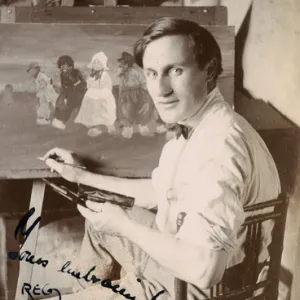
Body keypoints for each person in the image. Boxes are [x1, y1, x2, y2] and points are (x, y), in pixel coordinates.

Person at [43, 17, 280, 300]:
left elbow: (204, 270)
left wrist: (123, 225)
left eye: (175, 70)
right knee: (98, 217)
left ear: (210, 70)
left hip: (202, 289)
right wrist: (81, 175)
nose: (160, 89)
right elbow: (161, 191)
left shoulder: (220, 145)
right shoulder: (201, 122)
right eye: (152, 73)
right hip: (190, 261)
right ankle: (92, 291)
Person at [116, 51, 164, 138]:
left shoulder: (135, 72)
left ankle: (143, 126)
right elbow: (121, 86)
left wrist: (145, 91)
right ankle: (128, 128)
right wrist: (121, 95)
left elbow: (143, 82)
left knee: (143, 108)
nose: (121, 67)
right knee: (126, 110)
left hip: (138, 93)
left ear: (128, 64)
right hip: (126, 95)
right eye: (120, 65)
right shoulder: (122, 75)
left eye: (123, 64)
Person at [74, 51, 117, 137]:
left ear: (103, 64)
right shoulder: (91, 75)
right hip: (92, 95)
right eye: (95, 62)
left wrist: (102, 92)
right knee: (92, 111)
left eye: (99, 63)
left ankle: (109, 126)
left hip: (102, 95)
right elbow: (88, 84)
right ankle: (96, 127)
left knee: (103, 112)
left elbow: (107, 86)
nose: (97, 64)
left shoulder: (104, 75)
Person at [52, 55, 87, 130]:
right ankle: (58, 119)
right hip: (68, 91)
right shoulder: (62, 74)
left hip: (78, 91)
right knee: (60, 100)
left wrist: (70, 78)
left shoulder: (76, 72)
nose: (63, 68)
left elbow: (81, 84)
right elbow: (64, 86)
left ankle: (62, 119)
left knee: (70, 101)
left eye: (65, 66)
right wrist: (63, 94)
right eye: (61, 66)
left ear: (70, 66)